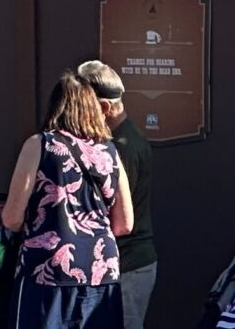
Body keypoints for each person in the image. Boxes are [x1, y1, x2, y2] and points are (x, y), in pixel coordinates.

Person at [3, 69, 132, 329]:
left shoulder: (39, 145)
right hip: (102, 271)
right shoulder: (109, 151)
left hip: (48, 270)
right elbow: (125, 224)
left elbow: (12, 218)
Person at [78, 60, 156, 329]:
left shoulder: (121, 148)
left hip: (128, 268)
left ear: (103, 108)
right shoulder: (116, 142)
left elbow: (119, 219)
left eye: (81, 104)